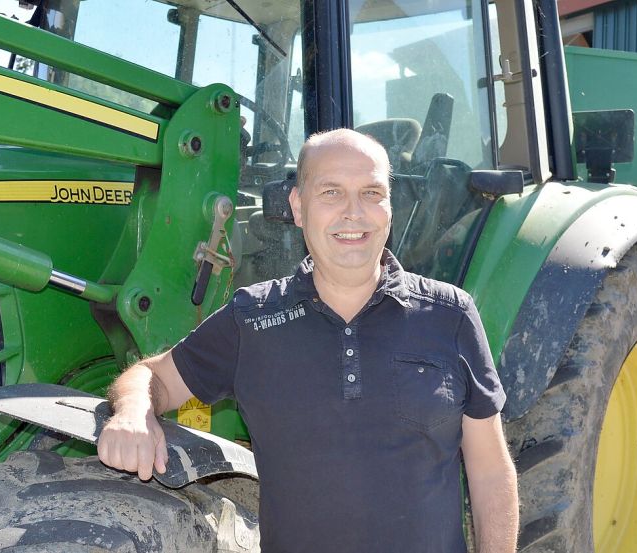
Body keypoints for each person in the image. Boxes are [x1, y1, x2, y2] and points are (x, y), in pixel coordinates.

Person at [98, 128, 519, 553]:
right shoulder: (254, 319)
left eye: (372, 193)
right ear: (298, 207)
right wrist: (134, 413)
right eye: (331, 193)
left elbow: (489, 473)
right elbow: (154, 377)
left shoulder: (449, 314)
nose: (354, 213)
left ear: (389, 208)